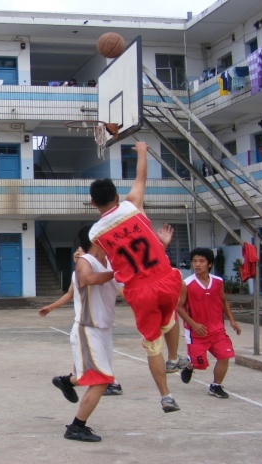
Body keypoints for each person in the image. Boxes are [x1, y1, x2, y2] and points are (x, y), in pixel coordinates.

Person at [88, 142, 184, 413]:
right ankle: (175, 357)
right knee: (171, 318)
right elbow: (141, 177)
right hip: (165, 277)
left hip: (139, 290)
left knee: (152, 345)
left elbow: (103, 261)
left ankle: (165, 395)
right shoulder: (131, 207)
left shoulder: (96, 233)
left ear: (93, 202)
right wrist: (142, 150)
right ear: (117, 197)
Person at [50, 226, 119, 442]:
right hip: (88, 329)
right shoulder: (85, 261)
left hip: (104, 330)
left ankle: (67, 381)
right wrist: (117, 273)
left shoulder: (111, 263)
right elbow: (89, 279)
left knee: (97, 377)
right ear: (96, 238)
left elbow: (126, 288)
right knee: (100, 380)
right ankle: (76, 427)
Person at [40, 247, 123, 397]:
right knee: (89, 368)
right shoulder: (80, 274)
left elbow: (120, 289)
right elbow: (70, 294)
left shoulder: (104, 269)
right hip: (84, 326)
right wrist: (51, 307)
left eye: (81, 252)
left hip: (101, 325)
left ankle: (67, 381)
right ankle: (75, 381)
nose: (78, 254)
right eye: (77, 252)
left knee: (88, 367)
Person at [177, 248, 242, 399]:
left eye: (201, 261)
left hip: (217, 329)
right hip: (196, 332)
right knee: (200, 364)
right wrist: (193, 324)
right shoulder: (186, 284)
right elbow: (178, 307)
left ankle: (215, 386)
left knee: (225, 355)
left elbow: (223, 301)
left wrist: (232, 320)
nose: (197, 264)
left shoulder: (218, 282)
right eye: (194, 261)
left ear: (210, 264)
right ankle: (191, 365)